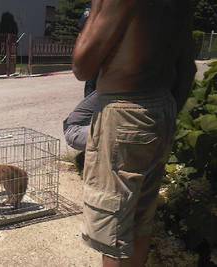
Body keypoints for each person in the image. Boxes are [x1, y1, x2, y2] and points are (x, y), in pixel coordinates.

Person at [72, 1, 196, 267]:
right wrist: (166, 116)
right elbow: (188, 69)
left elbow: (82, 67)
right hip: (162, 106)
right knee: (140, 220)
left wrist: (96, 6)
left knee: (113, 230)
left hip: (125, 110)